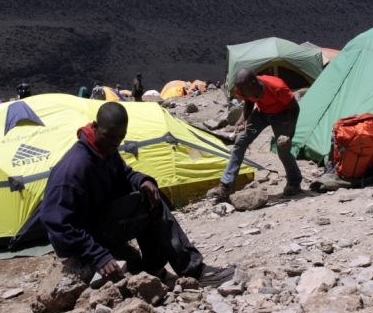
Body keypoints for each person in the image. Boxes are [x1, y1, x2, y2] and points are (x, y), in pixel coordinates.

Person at [40, 102, 234, 286]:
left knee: (149, 196)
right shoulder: (75, 167)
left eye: (120, 137)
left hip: (98, 220)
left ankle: (155, 269)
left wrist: (143, 181)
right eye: (110, 136)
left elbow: (124, 176)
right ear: (96, 127)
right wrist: (97, 255)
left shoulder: (104, 150)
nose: (116, 142)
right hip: (80, 237)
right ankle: (193, 271)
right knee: (149, 208)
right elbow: (57, 223)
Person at [208, 68, 302, 200]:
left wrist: (289, 135)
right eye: (239, 90)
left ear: (254, 83)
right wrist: (242, 120)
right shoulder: (243, 88)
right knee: (240, 142)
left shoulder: (277, 87)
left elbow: (295, 108)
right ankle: (227, 185)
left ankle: (294, 182)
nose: (240, 93)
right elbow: (249, 101)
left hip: (282, 114)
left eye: (243, 91)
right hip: (262, 113)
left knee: (283, 150)